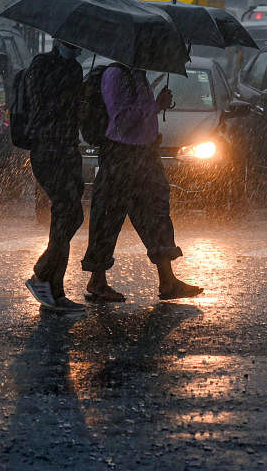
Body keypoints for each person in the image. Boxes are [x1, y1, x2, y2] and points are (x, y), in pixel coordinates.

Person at [81, 62, 202, 302]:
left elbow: (140, 113)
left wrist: (157, 106)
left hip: (146, 154)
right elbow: (121, 118)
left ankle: (167, 280)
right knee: (108, 216)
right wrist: (155, 105)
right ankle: (97, 280)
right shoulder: (116, 75)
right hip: (121, 155)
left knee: (156, 214)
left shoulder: (139, 76)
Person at [22, 40, 88, 313]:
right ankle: (45, 278)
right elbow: (43, 101)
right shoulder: (41, 64)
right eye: (72, 44)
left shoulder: (74, 68)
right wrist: (72, 92)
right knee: (67, 211)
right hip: (47, 150)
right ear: (59, 41)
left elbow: (74, 112)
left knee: (70, 215)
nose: (76, 49)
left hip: (69, 149)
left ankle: (51, 283)